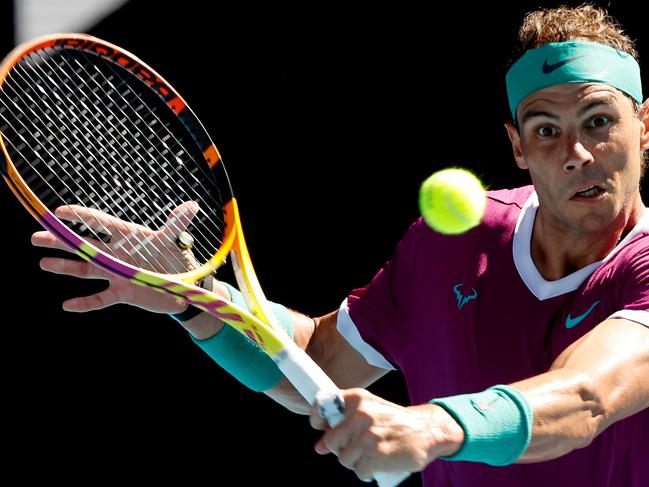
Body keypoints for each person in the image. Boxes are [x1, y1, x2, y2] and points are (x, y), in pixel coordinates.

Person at [31, 5, 648, 486]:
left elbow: (587, 398)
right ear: (517, 147)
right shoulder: (453, 244)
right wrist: (198, 298)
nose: (577, 155)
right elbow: (319, 364)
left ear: (643, 127)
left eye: (599, 120)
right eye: (546, 131)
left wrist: (429, 425)